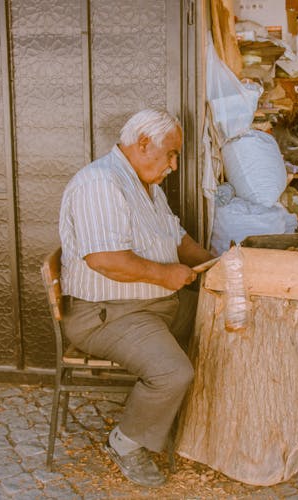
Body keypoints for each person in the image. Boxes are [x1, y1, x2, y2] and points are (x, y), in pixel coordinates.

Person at [58, 109, 214, 487]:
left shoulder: (147, 186)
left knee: (221, 321)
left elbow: (179, 241)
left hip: (154, 304)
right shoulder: (99, 183)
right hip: (109, 314)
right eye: (171, 154)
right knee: (172, 372)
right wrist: (166, 274)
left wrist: (217, 264)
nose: (174, 165)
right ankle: (126, 443)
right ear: (143, 144)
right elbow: (105, 259)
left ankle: (202, 421)